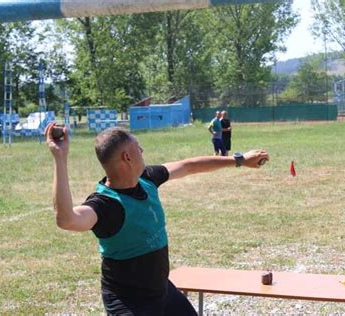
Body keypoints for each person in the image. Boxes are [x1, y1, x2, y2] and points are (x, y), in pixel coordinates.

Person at [45, 123, 269, 315]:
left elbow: (189, 165)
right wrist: (60, 158)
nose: (142, 150)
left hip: (161, 291)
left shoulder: (147, 178)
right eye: (138, 147)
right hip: (130, 303)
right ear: (127, 157)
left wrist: (240, 160)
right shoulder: (106, 205)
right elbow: (67, 220)